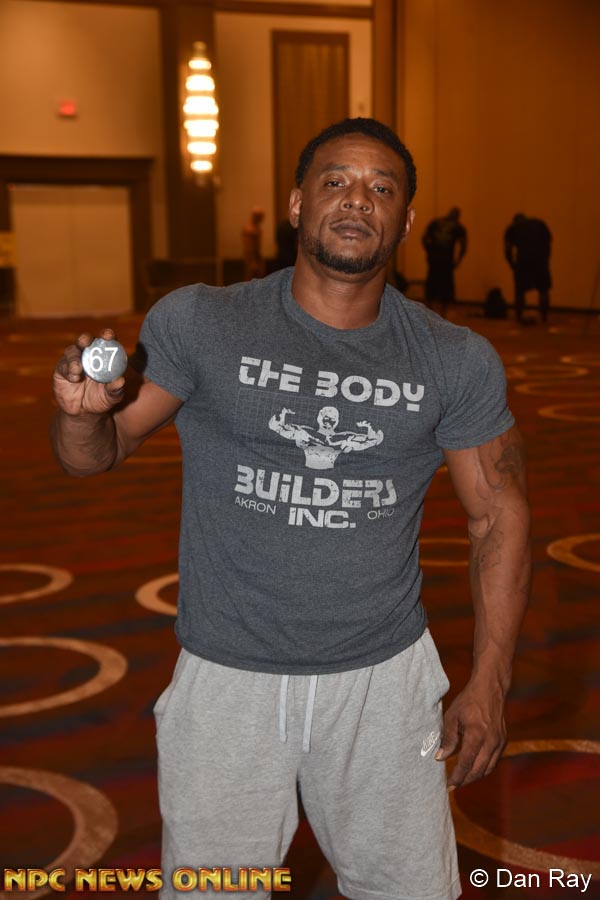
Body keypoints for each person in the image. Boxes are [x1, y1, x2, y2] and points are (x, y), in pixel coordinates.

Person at [51, 117, 531, 900]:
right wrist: (80, 417)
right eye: (335, 181)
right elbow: (98, 453)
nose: (357, 200)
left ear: (406, 219)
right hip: (226, 679)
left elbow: (499, 517)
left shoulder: (453, 359)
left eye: (381, 188)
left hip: (383, 683)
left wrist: (490, 681)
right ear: (297, 203)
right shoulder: (202, 321)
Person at [504, 213, 552, 322]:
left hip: (523, 261)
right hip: (541, 260)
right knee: (543, 289)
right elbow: (548, 243)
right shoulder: (540, 224)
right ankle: (544, 317)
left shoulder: (512, 228)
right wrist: (546, 259)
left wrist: (512, 265)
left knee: (519, 290)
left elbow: (507, 250)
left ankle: (519, 317)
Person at [422, 207, 467, 315]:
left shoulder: (436, 223)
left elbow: (424, 239)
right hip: (446, 261)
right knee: (444, 288)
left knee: (432, 286)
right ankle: (441, 313)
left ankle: (429, 312)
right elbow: (463, 245)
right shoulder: (457, 227)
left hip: (435, 260)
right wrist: (458, 259)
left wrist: (429, 252)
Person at [241, 206, 267, 280]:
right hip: (252, 259)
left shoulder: (255, 228)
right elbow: (249, 247)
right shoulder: (250, 229)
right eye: (260, 217)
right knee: (251, 280)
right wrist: (253, 261)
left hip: (256, 257)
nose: (262, 219)